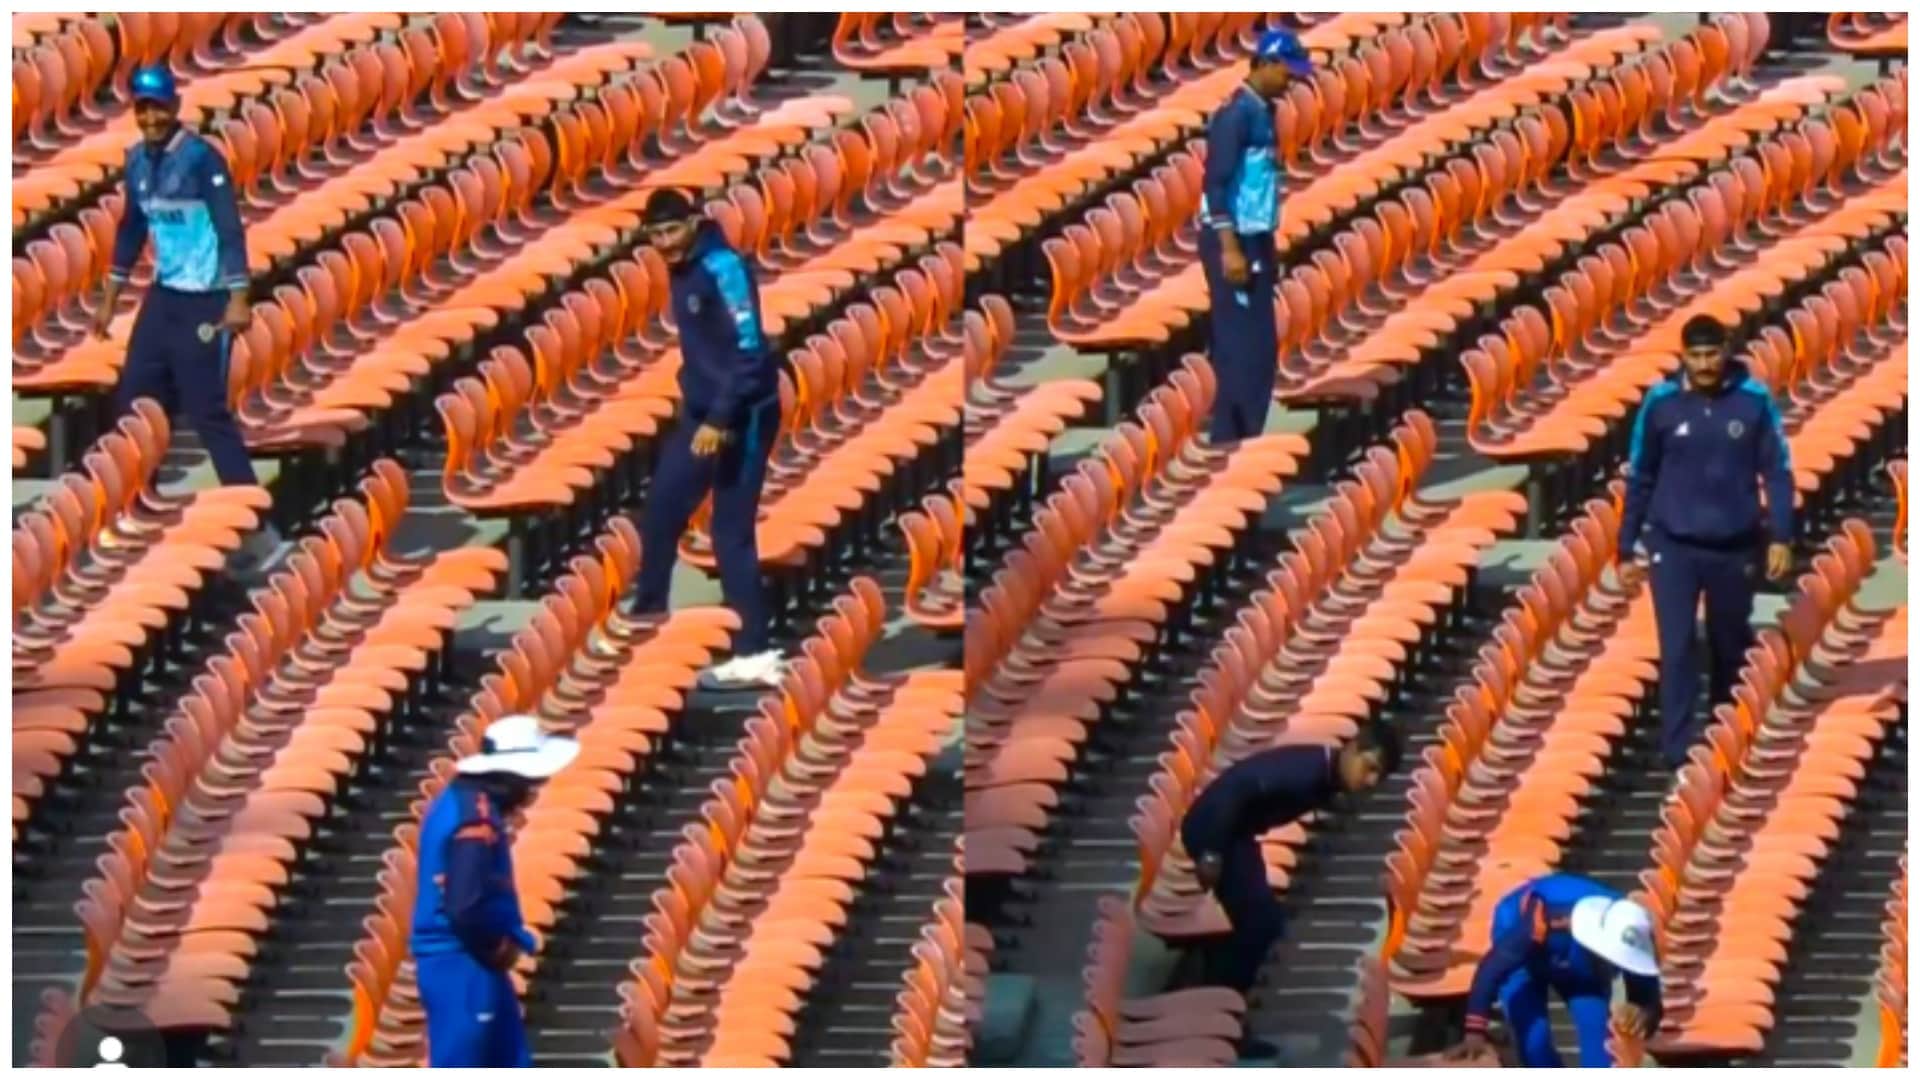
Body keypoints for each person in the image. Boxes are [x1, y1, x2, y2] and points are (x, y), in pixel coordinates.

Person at [95, 64, 279, 570]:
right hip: (163, 297)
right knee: (133, 400)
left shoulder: (202, 160)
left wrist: (239, 296)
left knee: (206, 411)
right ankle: (136, 506)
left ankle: (258, 528)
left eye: (157, 107)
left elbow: (229, 228)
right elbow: (132, 230)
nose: (150, 117)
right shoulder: (136, 162)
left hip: (206, 298)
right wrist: (111, 296)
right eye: (142, 108)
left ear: (175, 107)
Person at [1618, 314, 1794, 769]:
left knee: (1729, 643)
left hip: (1734, 543)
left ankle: (1726, 739)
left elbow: (1777, 471)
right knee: (1676, 647)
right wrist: (1625, 547)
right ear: (1682, 356)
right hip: (1673, 545)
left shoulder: (1753, 401)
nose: (1704, 364)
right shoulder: (1661, 404)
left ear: (1726, 350)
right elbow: (1640, 476)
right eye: (1695, 356)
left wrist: (1781, 535)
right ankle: (1677, 752)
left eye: (1711, 354)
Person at [630, 187, 787, 691]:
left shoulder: (724, 268)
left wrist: (720, 420)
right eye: (655, 236)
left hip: (744, 414)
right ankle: (648, 615)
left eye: (671, 231)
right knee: (661, 510)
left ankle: (754, 650)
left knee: (730, 533)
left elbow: (750, 352)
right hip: (702, 412)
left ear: (694, 223)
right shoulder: (681, 268)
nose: (664, 243)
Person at [1179, 727, 1398, 1057]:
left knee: (1262, 923)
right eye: (1369, 768)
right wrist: (1211, 852)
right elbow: (1237, 788)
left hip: (1237, 834)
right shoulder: (1306, 771)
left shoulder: (1324, 771)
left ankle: (1217, 1002)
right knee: (1261, 925)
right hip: (1217, 831)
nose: (1369, 782)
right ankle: (1220, 1022)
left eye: (1376, 777)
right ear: (1354, 748)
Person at [412, 714, 579, 1067]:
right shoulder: (474, 820)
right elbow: (464, 906)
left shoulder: (463, 802)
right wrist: (497, 947)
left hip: (471, 963)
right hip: (464, 965)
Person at [1198, 29, 1312, 444]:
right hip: (1233, 243)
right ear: (1265, 64)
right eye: (1287, 71)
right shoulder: (1235, 117)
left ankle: (1249, 438)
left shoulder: (1265, 111)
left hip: (1257, 239)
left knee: (1263, 351)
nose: (1291, 82)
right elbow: (1216, 187)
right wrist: (1229, 248)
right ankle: (1228, 443)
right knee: (1241, 352)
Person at [1443, 874, 1663, 1068]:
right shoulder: (1542, 919)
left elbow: (1646, 993)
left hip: (1582, 970)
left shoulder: (1630, 926)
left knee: (1601, 1050)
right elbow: (1492, 968)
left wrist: (1646, 1013)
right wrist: (1474, 1031)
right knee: (1534, 1043)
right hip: (1524, 960)